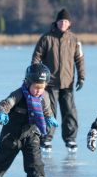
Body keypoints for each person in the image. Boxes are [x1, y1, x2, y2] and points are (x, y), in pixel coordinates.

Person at [32, 8, 86, 153]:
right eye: (61, 21)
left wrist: (81, 76)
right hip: (50, 83)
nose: (63, 23)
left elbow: (79, 59)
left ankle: (70, 139)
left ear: (69, 24)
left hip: (67, 83)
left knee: (69, 111)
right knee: (50, 111)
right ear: (56, 22)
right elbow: (37, 56)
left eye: (66, 21)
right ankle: (46, 138)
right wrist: (35, 75)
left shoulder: (74, 39)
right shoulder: (46, 38)